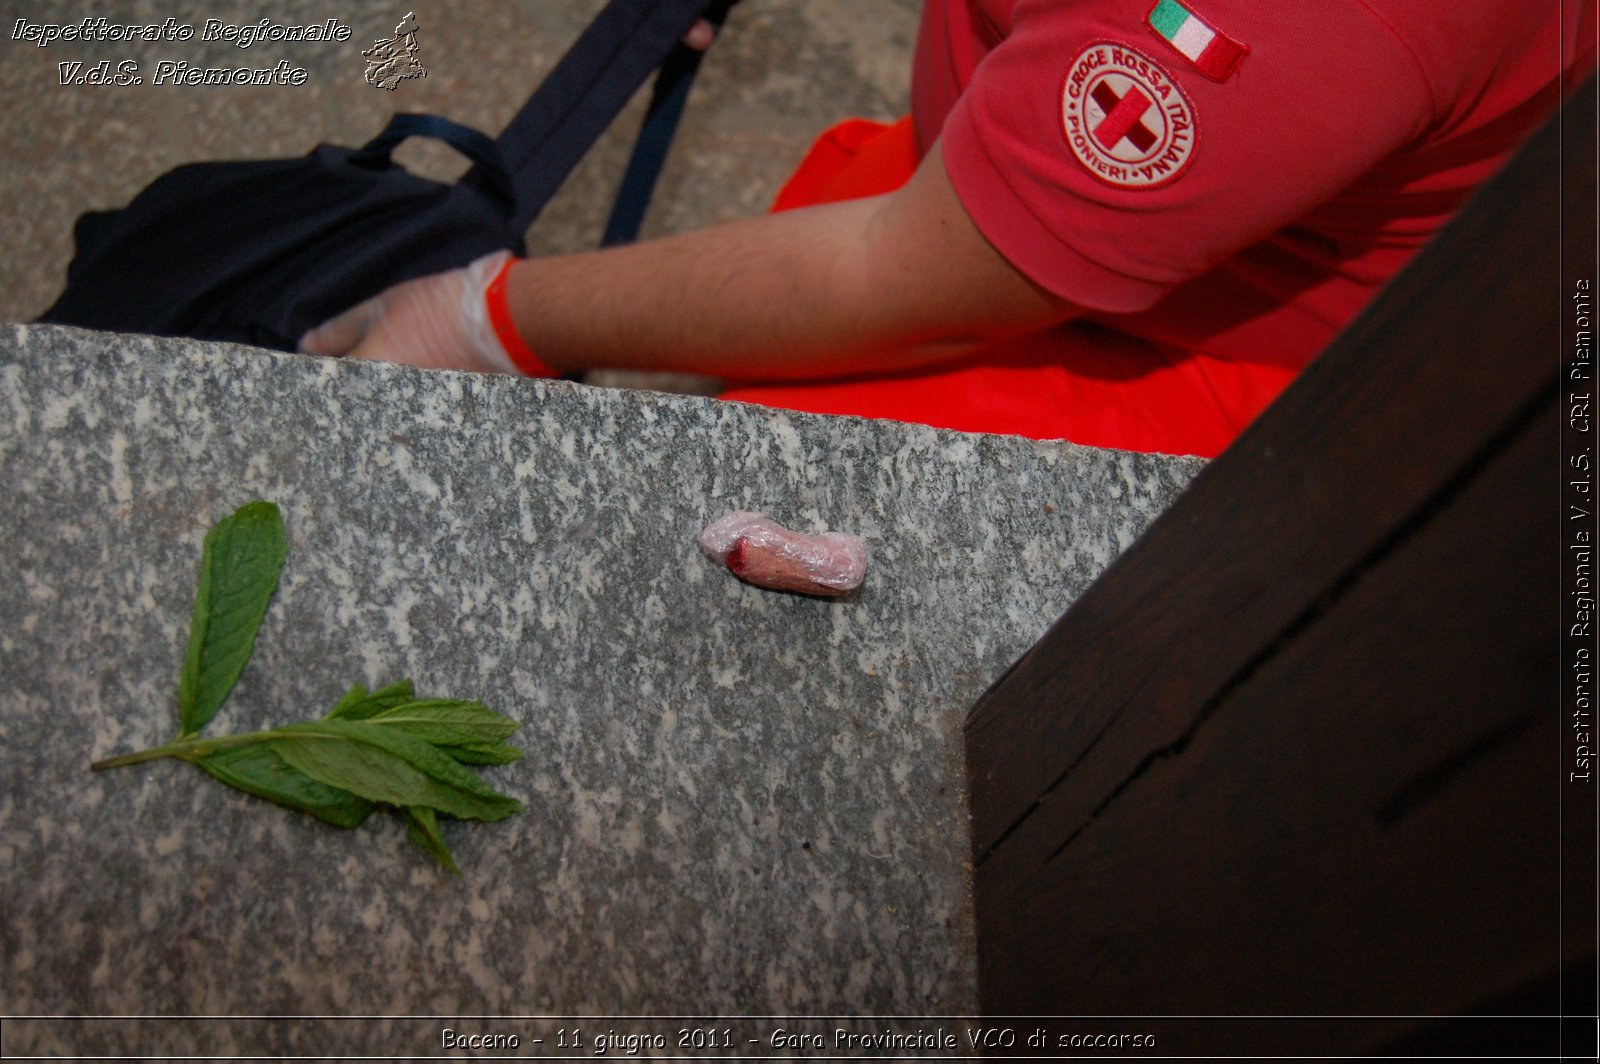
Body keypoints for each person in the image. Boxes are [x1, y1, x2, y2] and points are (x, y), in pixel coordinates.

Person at [300, 0, 1595, 457]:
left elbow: (911, 277)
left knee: (733, 531)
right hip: (1019, 200)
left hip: (1169, 357)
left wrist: (487, 317)